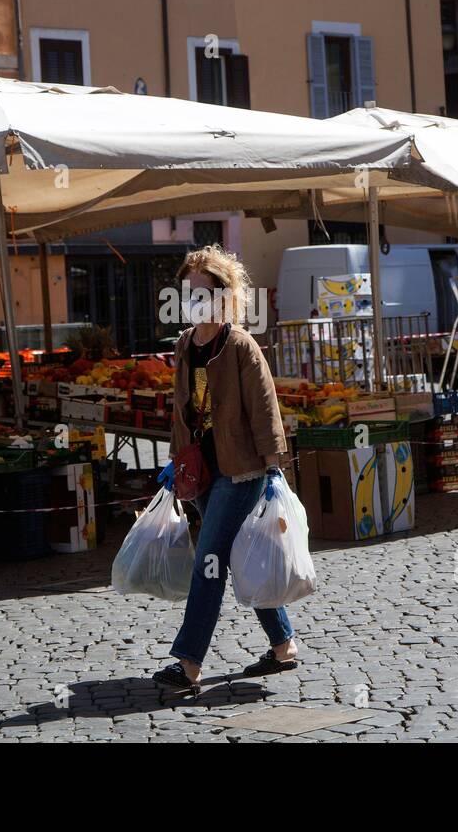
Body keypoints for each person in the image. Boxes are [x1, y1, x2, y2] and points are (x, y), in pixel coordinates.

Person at [152, 245, 295, 697]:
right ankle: (283, 646)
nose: (193, 298)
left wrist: (273, 469)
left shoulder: (239, 345)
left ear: (223, 295)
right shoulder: (184, 345)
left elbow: (265, 409)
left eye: (201, 290)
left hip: (242, 472)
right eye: (188, 290)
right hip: (201, 472)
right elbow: (181, 412)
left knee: (209, 562)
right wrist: (175, 464)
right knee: (236, 556)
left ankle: (189, 663)